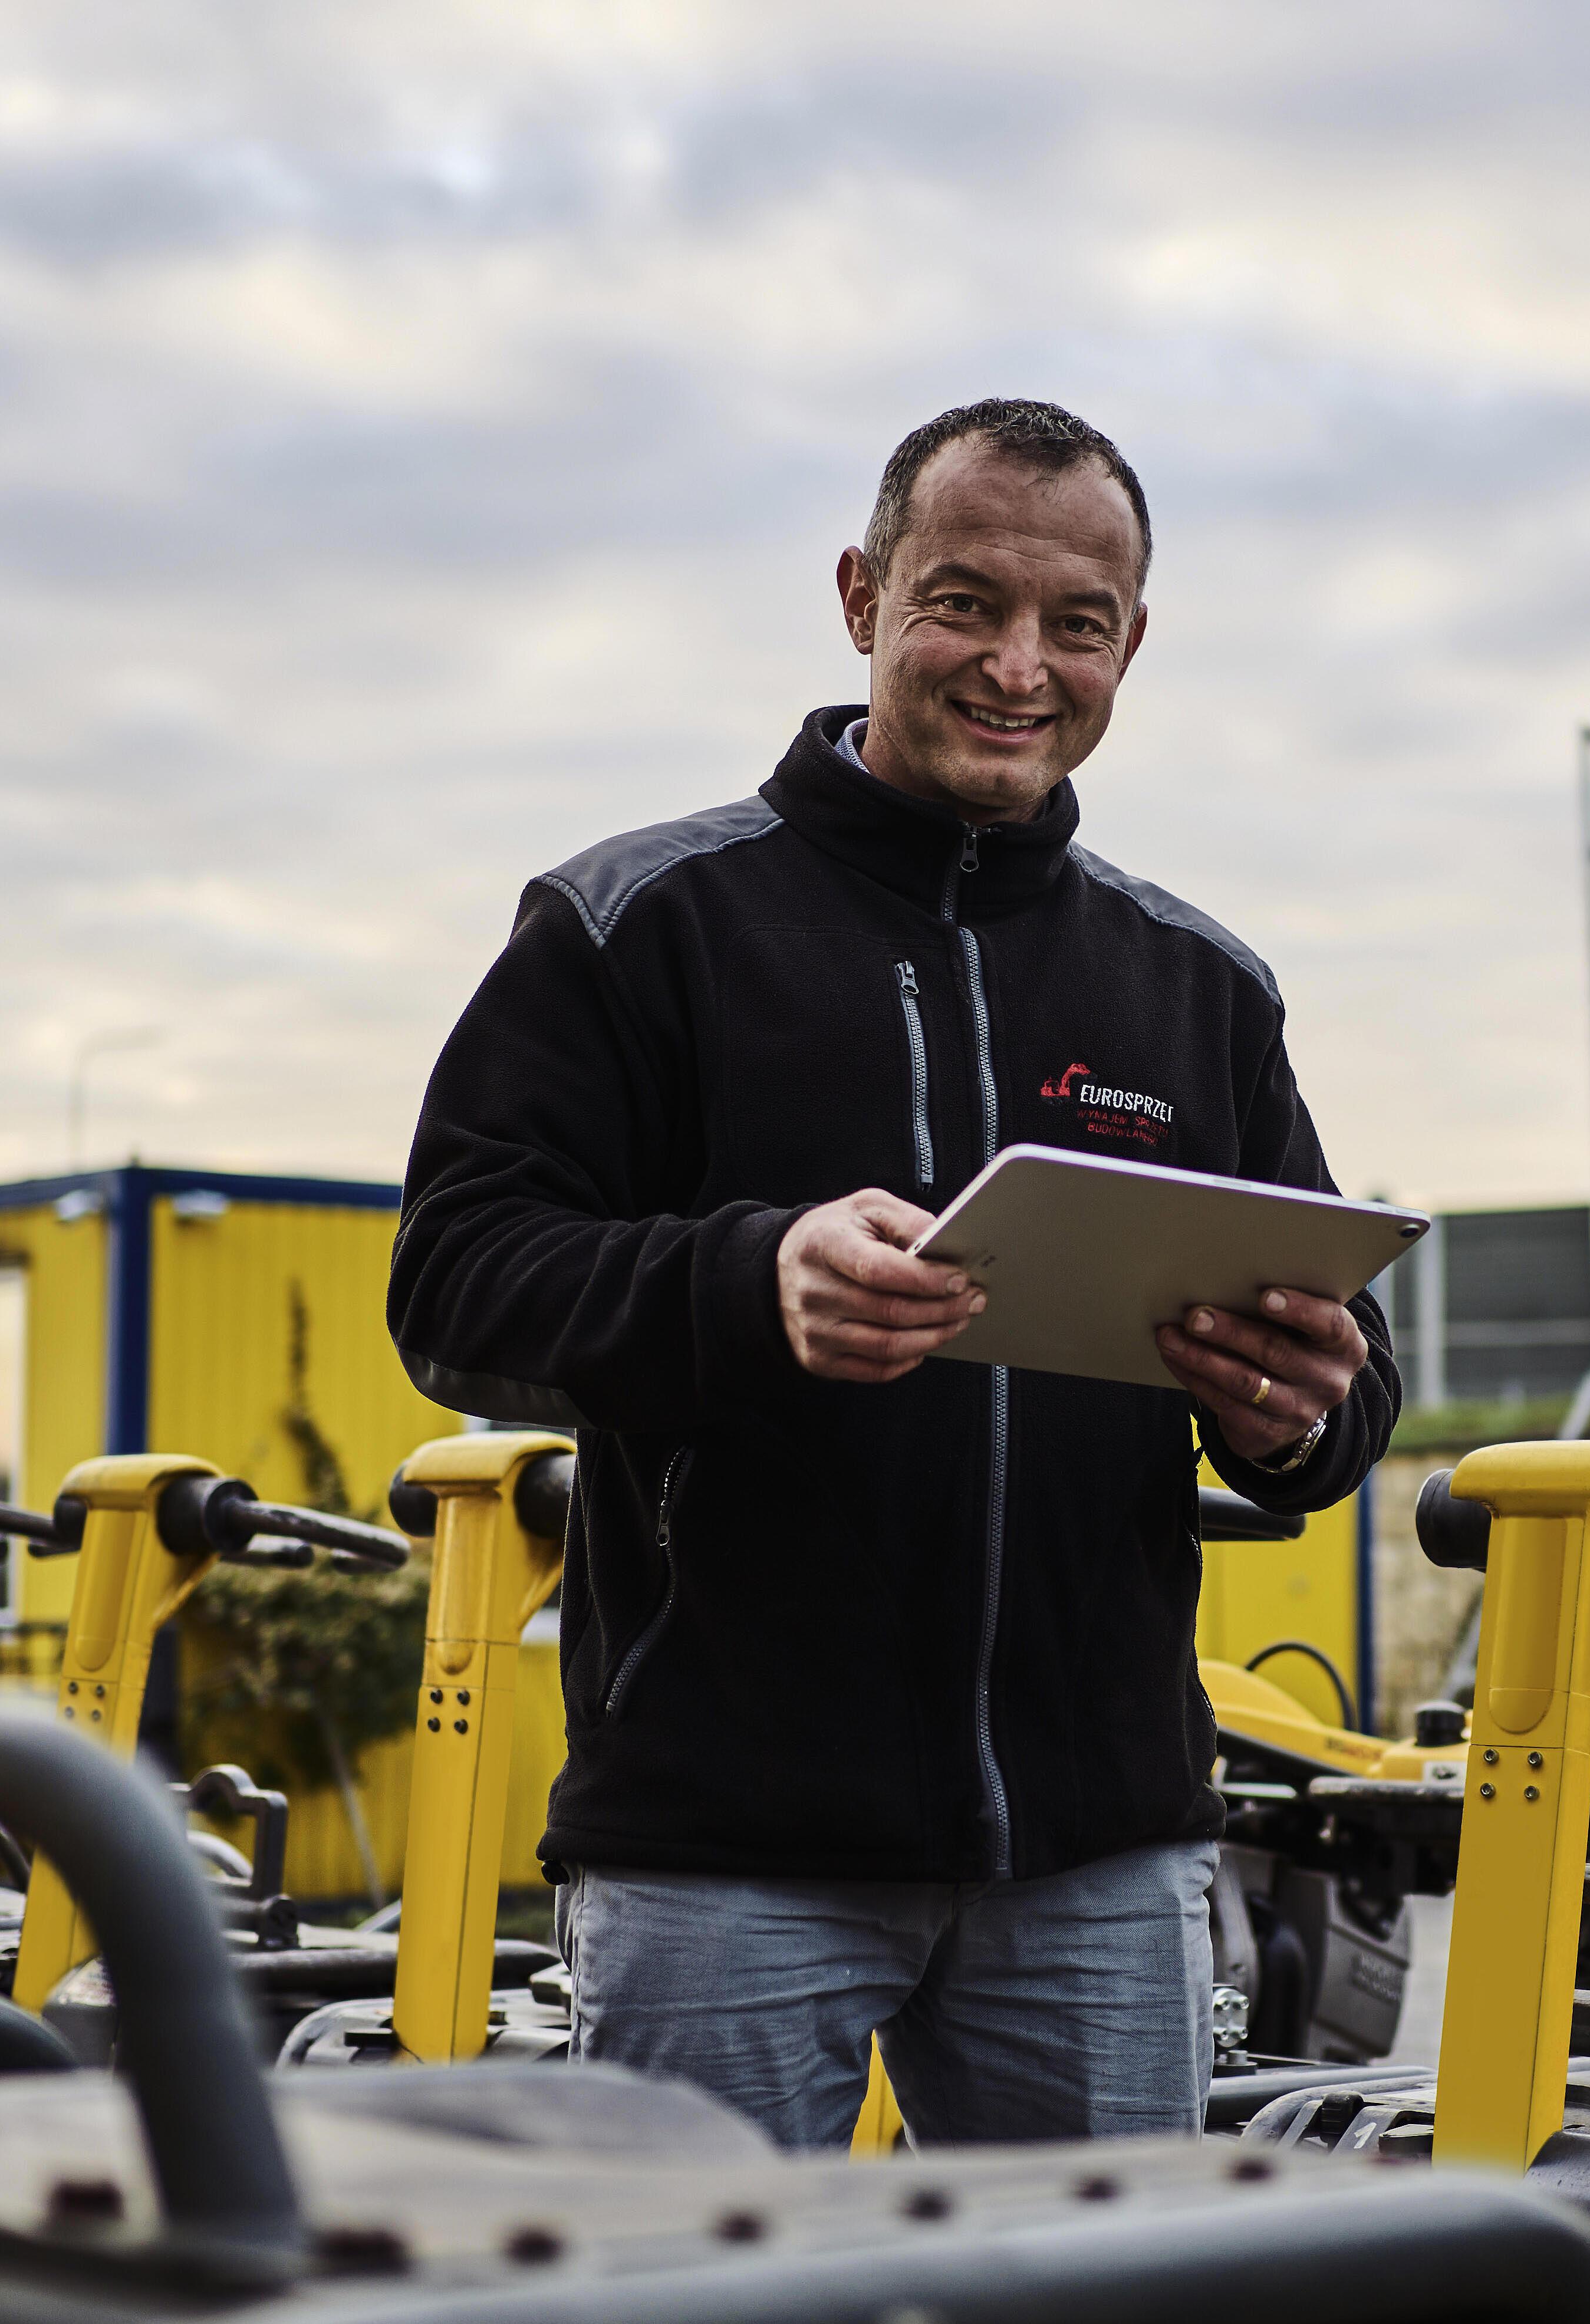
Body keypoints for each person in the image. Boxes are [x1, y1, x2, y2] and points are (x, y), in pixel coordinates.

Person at [388, 397, 1400, 2148]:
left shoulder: (1196, 986)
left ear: (1130, 644)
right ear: (862, 597)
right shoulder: (642, 924)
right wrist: (747, 1281)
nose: (1021, 665)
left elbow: (1341, 1365)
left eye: (1076, 624)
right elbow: (458, 1279)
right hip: (726, 1857)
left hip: (1102, 1860)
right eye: (965, 603)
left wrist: (1305, 1411)